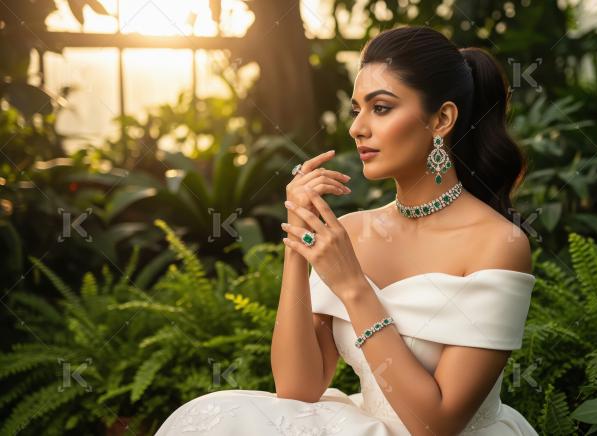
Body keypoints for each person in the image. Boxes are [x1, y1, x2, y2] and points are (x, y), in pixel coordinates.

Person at [155, 25, 538, 435]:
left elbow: (437, 424)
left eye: (382, 107)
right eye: (357, 109)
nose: (358, 128)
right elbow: (298, 387)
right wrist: (298, 247)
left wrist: (354, 286)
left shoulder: (498, 244)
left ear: (442, 118)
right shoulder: (351, 232)